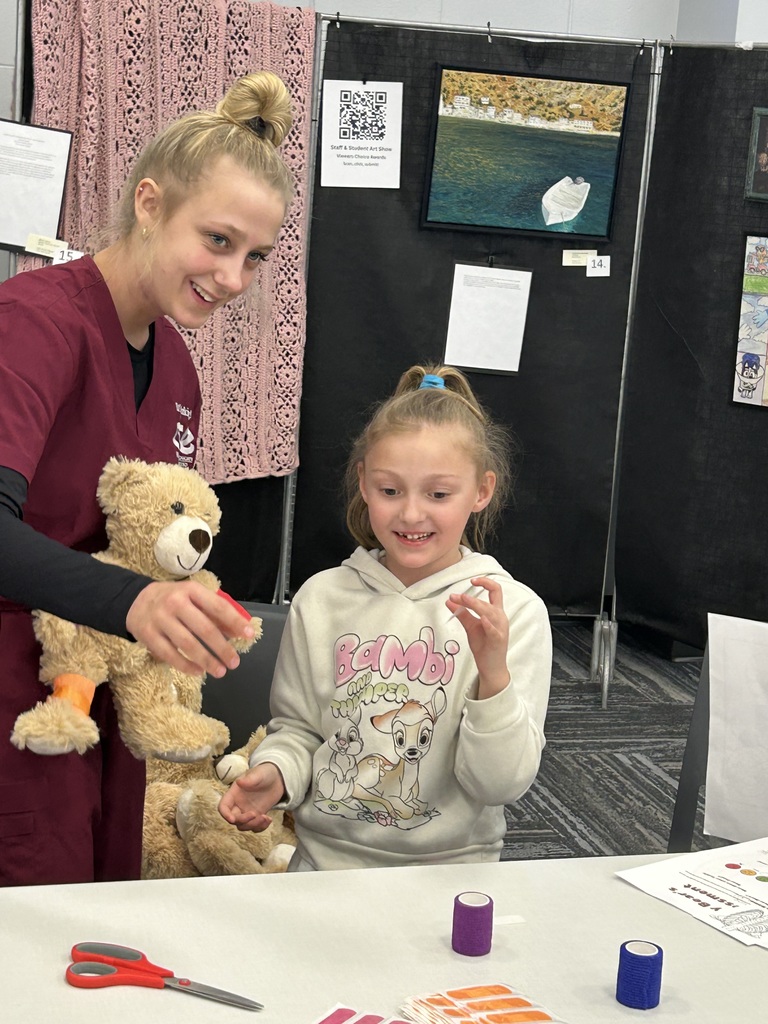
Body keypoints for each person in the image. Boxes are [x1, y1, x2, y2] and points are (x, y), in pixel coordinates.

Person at [0, 70, 295, 886]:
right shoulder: (34, 325)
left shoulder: (175, 371)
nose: (234, 278)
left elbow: (142, 542)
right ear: (150, 202)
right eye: (218, 240)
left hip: (111, 713)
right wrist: (135, 602)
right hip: (23, 705)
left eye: (255, 257)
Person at [219, 365, 553, 869]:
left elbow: (500, 785)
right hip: (322, 867)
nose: (411, 515)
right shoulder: (321, 598)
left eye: (438, 495)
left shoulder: (514, 613)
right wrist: (277, 773)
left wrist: (495, 677)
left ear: (482, 491)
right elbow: (300, 731)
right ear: (364, 483)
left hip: (450, 878)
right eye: (391, 490)